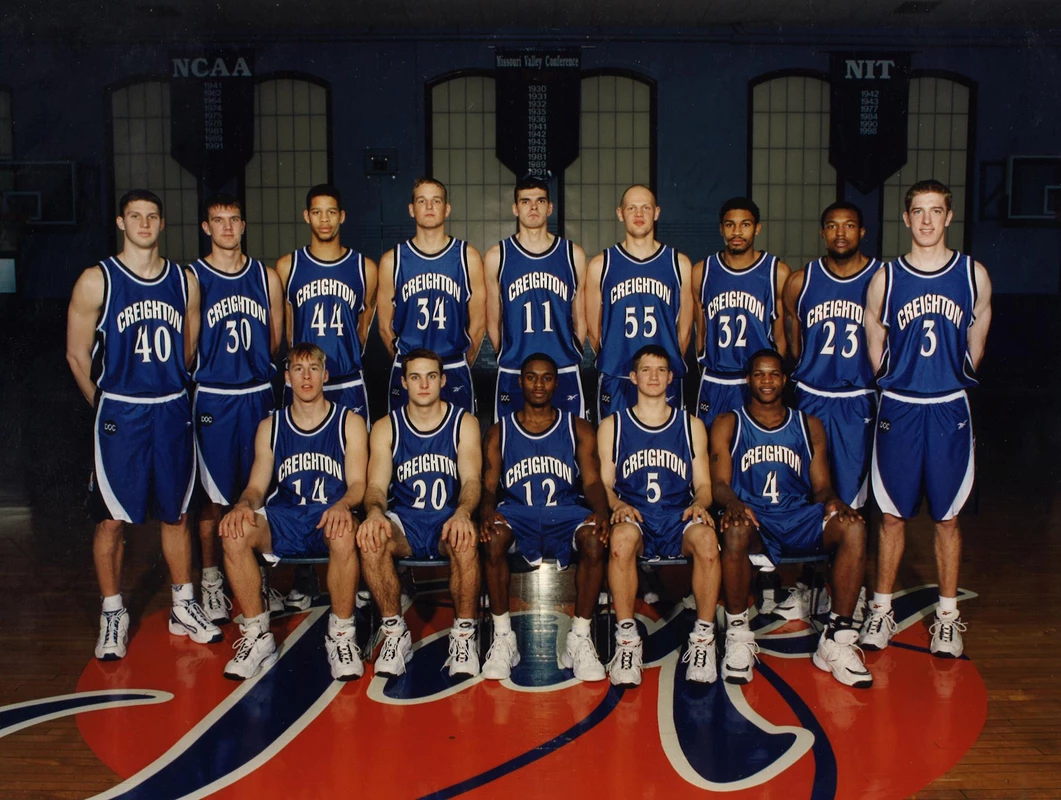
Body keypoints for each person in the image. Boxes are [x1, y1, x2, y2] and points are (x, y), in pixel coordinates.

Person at [66, 189, 221, 660]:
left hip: (171, 407)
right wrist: (104, 404)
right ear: (121, 222)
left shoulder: (184, 280)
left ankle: (183, 604)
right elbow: (76, 354)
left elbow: (189, 349)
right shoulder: (98, 280)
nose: (144, 224)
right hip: (122, 410)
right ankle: (113, 612)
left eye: (152, 216)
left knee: (176, 512)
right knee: (112, 518)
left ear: (163, 223)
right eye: (135, 216)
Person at [860, 179, 992, 658]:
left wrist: (961, 374)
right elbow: (873, 328)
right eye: (919, 211)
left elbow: (979, 328)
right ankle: (879, 610)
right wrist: (888, 375)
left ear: (949, 216)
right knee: (892, 516)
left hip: (949, 406)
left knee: (948, 518)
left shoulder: (972, 274)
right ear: (906, 217)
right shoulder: (887, 277)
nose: (928, 220)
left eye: (936, 211)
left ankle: (948, 619)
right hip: (900, 406)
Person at [710, 349, 871, 688]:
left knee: (854, 527)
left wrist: (835, 503)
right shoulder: (730, 423)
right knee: (735, 530)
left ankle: (837, 639)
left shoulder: (808, 424)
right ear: (748, 379)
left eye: (773, 374)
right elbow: (719, 484)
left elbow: (822, 487)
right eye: (759, 374)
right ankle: (739, 635)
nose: (766, 380)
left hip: (798, 516)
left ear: (784, 380)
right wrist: (735, 503)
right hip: (755, 517)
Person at [218, 343, 369, 680]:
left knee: (345, 532)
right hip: (285, 518)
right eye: (298, 369)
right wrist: (242, 506)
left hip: (329, 518)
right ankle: (257, 636)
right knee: (235, 531)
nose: (306, 376)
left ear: (325, 375)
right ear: (287, 378)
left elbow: (358, 484)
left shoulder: (349, 422)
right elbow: (257, 487)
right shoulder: (270, 426)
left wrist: (343, 505)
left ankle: (342, 635)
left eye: (313, 368)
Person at [479, 353, 610, 681]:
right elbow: (489, 486)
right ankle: (503, 637)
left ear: (556, 382)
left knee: (595, 539)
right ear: (520, 381)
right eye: (532, 377)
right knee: (492, 537)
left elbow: (592, 480)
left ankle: (579, 638)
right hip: (517, 511)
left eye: (547, 377)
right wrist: (485, 512)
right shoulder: (499, 431)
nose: (539, 384)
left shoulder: (577, 427)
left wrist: (602, 512)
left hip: (565, 512)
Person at [598, 345, 718, 687]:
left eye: (661, 370)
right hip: (636, 515)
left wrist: (700, 503)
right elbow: (605, 485)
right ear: (633, 377)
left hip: (677, 516)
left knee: (708, 540)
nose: (654, 376)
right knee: (620, 539)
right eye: (646, 370)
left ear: (670, 377)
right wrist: (616, 505)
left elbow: (705, 485)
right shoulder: (613, 425)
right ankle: (626, 642)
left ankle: (704, 640)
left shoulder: (690, 425)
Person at [358, 349, 483, 677]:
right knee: (372, 538)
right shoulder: (387, 427)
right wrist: (373, 513)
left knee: (465, 539)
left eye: (431, 376)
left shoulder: (463, 423)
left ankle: (464, 636)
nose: (423, 384)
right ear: (404, 382)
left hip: (447, 519)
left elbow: (471, 479)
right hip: (407, 522)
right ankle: (394, 633)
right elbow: (375, 487)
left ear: (442, 380)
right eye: (415, 377)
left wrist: (464, 513)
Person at [190, 193, 284, 624]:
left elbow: (277, 340)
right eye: (218, 220)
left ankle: (258, 579)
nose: (227, 227)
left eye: (234, 220)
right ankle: (211, 581)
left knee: (260, 488)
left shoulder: (266, 278)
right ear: (206, 227)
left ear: (243, 226)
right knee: (214, 496)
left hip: (257, 392)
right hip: (213, 394)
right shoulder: (192, 277)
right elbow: (187, 345)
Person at [782, 201, 879, 511]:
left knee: (853, 491)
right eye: (833, 226)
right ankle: (814, 557)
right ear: (822, 232)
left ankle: (851, 555)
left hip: (858, 396)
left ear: (862, 232)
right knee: (811, 484)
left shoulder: (882, 278)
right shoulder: (801, 280)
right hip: (813, 395)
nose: (841, 233)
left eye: (849, 225)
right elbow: (795, 343)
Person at [376, 178, 486, 413]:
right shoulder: (392, 260)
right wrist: (406, 365)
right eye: (421, 201)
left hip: (453, 365)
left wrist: (463, 362)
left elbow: (478, 323)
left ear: (446, 209)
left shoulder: (468, 257)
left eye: (435, 201)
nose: (428, 207)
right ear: (411, 209)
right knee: (404, 443)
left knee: (459, 443)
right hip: (410, 370)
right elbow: (385, 327)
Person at [484, 176, 589, 420]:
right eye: (526, 201)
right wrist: (505, 353)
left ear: (549, 208)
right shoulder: (497, 255)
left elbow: (580, 315)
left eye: (540, 201)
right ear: (515, 208)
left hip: (562, 366)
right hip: (515, 367)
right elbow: (493, 317)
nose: (533, 207)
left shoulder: (572, 254)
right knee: (511, 446)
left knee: (568, 443)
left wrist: (571, 351)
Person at [585, 185, 693, 421]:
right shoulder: (601, 265)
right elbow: (594, 329)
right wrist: (612, 355)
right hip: (617, 376)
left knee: (665, 449)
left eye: (646, 208)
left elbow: (684, 330)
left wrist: (666, 366)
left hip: (663, 378)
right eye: (631, 208)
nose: (639, 214)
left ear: (656, 212)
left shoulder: (679, 264)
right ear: (620, 213)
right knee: (613, 447)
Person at [275, 184, 377, 421]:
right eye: (317, 212)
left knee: (353, 453)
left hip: (347, 380)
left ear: (341, 216)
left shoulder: (365, 268)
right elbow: (289, 331)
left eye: (331, 212)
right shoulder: (287, 267)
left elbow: (362, 329)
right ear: (306, 216)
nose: (324, 220)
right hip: (303, 382)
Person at [692, 197, 790, 427]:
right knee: (711, 450)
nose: (737, 231)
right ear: (721, 229)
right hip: (716, 379)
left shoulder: (777, 272)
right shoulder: (703, 271)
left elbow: (781, 338)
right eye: (729, 224)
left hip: (756, 382)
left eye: (745, 224)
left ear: (757, 228)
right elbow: (701, 331)